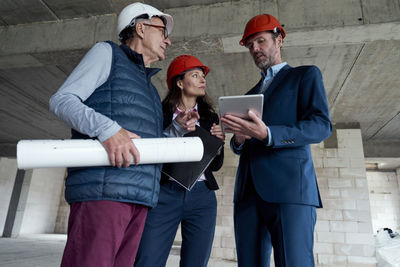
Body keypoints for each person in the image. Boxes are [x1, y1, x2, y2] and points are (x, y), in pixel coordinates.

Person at [49, 3, 174, 266]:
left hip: (140, 197)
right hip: (103, 193)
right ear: (140, 28)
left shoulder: (151, 90)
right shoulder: (107, 54)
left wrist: (179, 129)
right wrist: (107, 129)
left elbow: (141, 139)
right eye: (162, 31)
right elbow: (63, 101)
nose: (168, 40)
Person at [220, 14, 332, 267]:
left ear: (279, 39)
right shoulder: (248, 95)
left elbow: (321, 126)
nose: (255, 49)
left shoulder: (305, 76)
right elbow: (241, 146)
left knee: (294, 262)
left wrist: (268, 134)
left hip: (290, 190)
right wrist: (238, 140)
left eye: (260, 41)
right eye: (250, 46)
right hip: (248, 193)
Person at [134, 55, 225, 267]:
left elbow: (216, 165)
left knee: (196, 262)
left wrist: (218, 144)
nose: (203, 80)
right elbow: (150, 149)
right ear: (179, 82)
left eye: (203, 76)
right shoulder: (159, 113)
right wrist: (177, 128)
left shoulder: (210, 116)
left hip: (203, 197)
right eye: (195, 75)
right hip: (164, 193)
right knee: (148, 258)